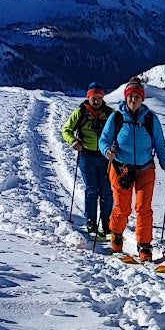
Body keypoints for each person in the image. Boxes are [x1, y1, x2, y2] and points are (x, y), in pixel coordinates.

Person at [98, 77, 165, 261]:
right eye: (130, 96)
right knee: (122, 208)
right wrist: (107, 151)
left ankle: (145, 245)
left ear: (142, 99)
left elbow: (160, 145)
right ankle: (116, 234)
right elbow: (104, 140)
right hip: (120, 169)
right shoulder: (116, 118)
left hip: (145, 169)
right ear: (126, 98)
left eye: (137, 97)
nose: (133, 99)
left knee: (144, 208)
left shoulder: (150, 119)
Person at [61, 82, 113, 237]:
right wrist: (73, 141)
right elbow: (66, 130)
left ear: (103, 97)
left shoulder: (110, 114)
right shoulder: (81, 113)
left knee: (106, 191)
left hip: (105, 156)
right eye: (93, 98)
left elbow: (120, 130)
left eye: (99, 98)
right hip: (87, 155)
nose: (96, 101)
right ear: (88, 97)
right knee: (92, 189)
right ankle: (91, 221)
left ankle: (105, 221)